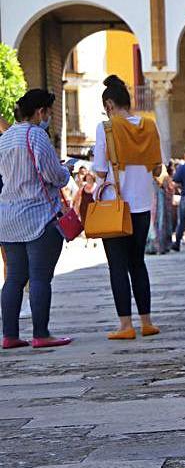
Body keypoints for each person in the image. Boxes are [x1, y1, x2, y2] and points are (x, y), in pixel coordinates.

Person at [0, 89, 72, 349]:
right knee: (40, 277)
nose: (49, 117)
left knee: (14, 278)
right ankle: (41, 333)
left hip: (8, 218)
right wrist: (67, 170)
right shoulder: (37, 135)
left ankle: (9, 335)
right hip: (39, 216)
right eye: (49, 112)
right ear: (41, 112)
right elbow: (55, 175)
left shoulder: (5, 139)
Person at [93, 76, 164, 340]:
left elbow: (100, 170)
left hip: (115, 206)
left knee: (117, 266)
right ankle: (147, 321)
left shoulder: (107, 128)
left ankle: (126, 325)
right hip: (143, 205)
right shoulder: (149, 126)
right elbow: (157, 167)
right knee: (138, 263)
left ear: (110, 104)